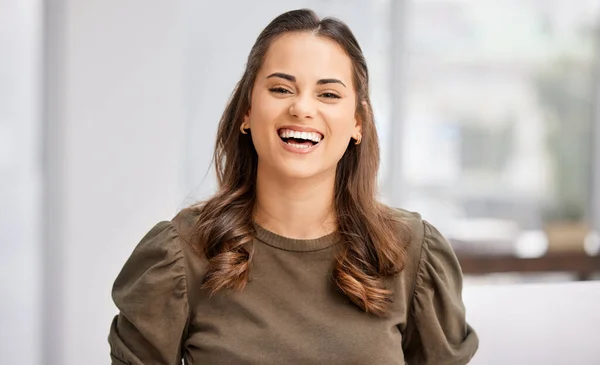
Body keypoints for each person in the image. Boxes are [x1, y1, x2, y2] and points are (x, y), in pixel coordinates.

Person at [108, 8, 478, 365]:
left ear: (357, 124)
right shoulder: (180, 254)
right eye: (281, 89)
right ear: (247, 112)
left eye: (328, 94)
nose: (302, 108)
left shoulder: (412, 253)